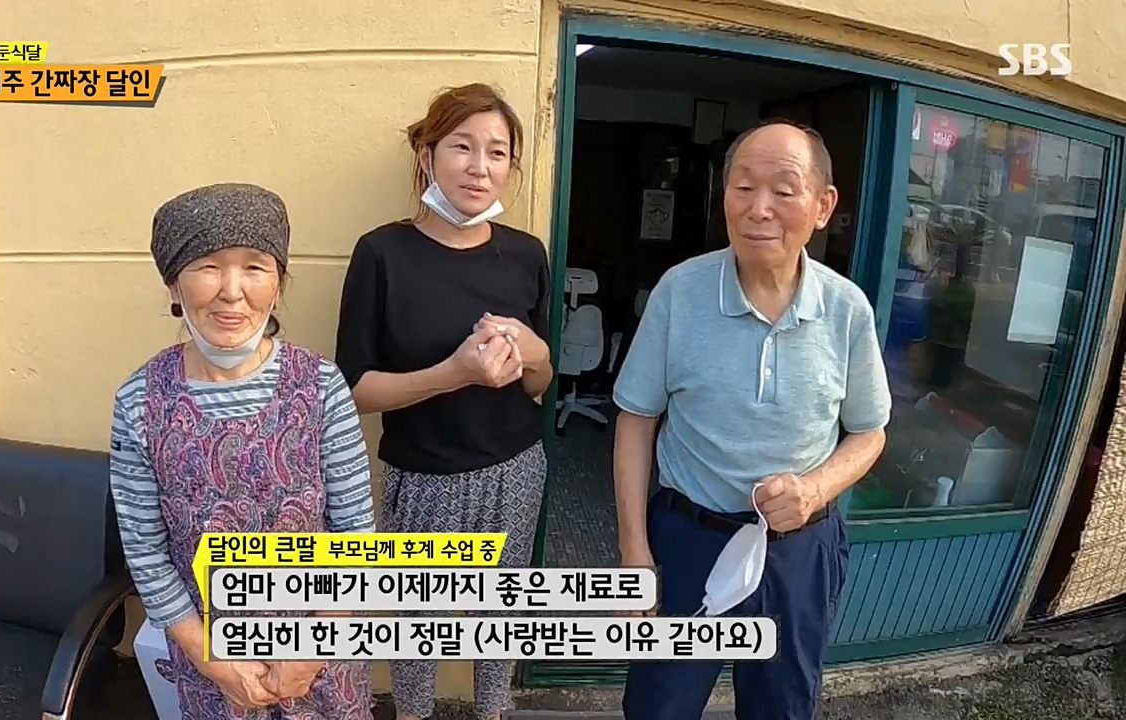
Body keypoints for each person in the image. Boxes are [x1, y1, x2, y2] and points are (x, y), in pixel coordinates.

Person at [612, 119, 892, 719]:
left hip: (799, 550)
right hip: (688, 539)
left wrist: (814, 489)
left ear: (823, 206)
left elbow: (869, 432)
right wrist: (634, 550)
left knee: (782, 707)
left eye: (783, 190)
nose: (758, 209)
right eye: (742, 187)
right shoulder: (679, 292)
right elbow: (636, 418)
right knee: (659, 706)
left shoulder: (846, 309)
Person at [110, 183, 376, 720]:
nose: (232, 292)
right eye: (207, 267)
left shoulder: (321, 385)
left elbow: (355, 533)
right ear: (173, 282)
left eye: (255, 267)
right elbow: (147, 553)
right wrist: (215, 662)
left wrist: (312, 651)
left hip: (323, 660)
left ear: (278, 283)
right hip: (211, 667)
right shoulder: (139, 400)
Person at [334, 83, 553, 720]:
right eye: (462, 147)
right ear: (427, 154)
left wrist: (535, 353)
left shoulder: (526, 254)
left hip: (516, 466)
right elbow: (355, 389)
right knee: (416, 625)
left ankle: (493, 711)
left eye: (497, 152)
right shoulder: (382, 253)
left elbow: (539, 383)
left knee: (503, 618)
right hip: (424, 473)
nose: (480, 167)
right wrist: (454, 373)